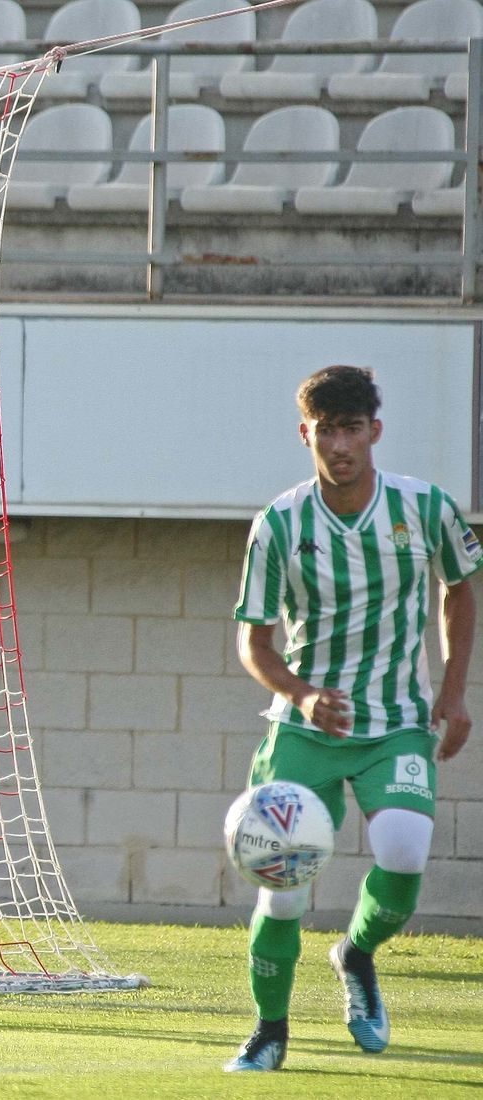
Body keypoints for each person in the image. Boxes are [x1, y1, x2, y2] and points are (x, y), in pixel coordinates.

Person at [226, 365, 478, 1072]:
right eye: (326, 430)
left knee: (404, 852)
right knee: (282, 892)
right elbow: (253, 642)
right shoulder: (279, 523)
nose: (340, 444)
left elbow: (461, 588)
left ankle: (357, 954)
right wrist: (303, 694)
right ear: (305, 434)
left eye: (353, 429)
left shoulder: (425, 507)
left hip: (396, 723)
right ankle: (269, 1030)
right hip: (305, 730)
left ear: (375, 431)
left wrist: (454, 693)